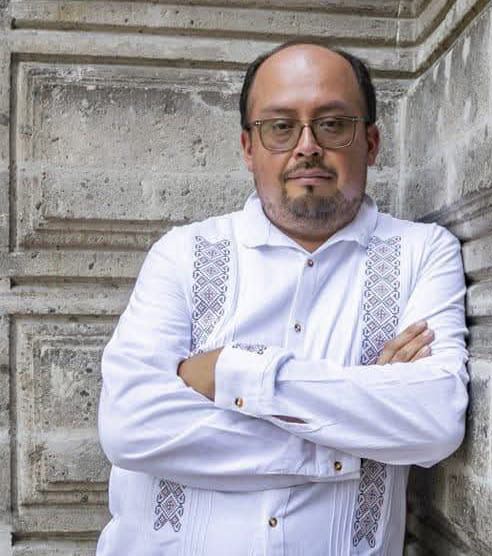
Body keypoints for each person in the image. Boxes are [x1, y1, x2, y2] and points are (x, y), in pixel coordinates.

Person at [95, 41, 468, 555]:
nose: (307, 145)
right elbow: (130, 426)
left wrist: (231, 371)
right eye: (280, 126)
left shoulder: (423, 253)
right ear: (249, 147)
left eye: (332, 124)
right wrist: (353, 432)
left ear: (372, 142)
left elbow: (433, 420)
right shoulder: (181, 254)